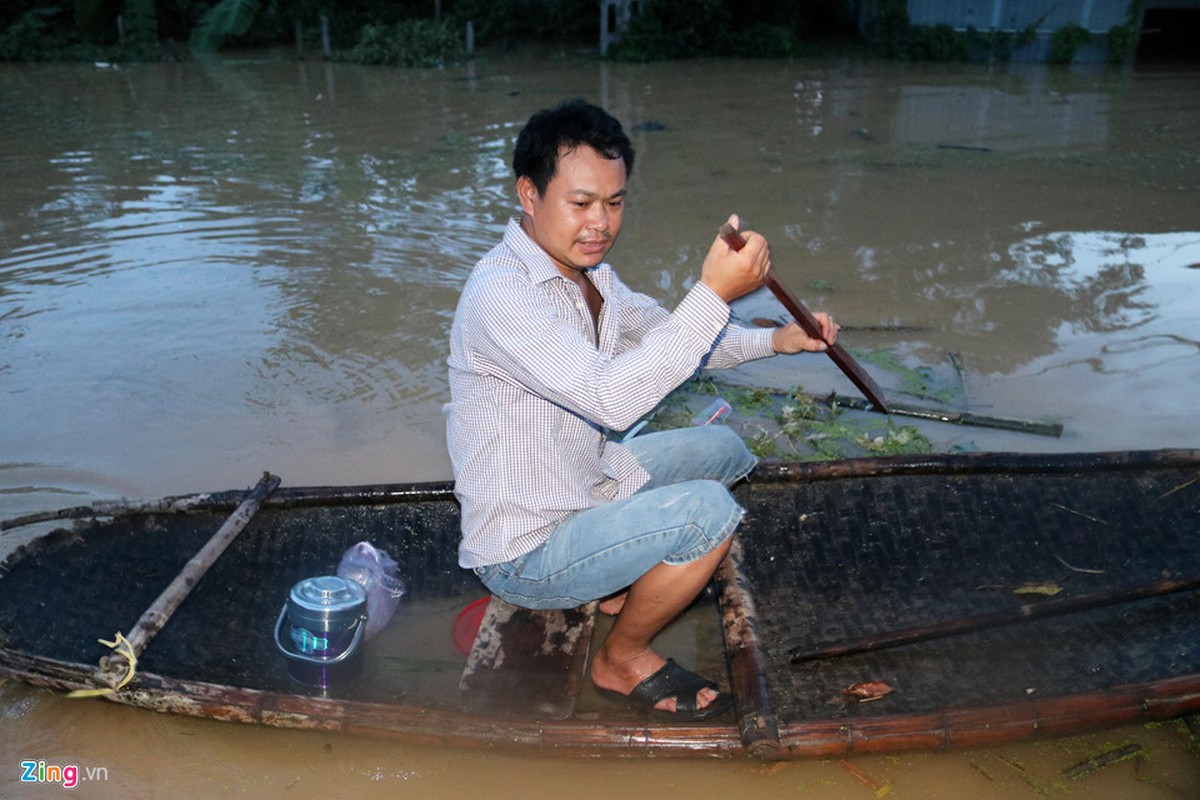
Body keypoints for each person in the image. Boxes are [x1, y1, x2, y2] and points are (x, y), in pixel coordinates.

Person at [445, 98, 837, 720]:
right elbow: (613, 396)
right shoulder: (503, 296)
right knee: (710, 513)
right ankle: (622, 657)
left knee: (727, 450)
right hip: (526, 546)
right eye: (580, 203)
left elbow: (669, 337)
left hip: (588, 484)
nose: (600, 223)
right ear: (529, 193)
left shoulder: (590, 274)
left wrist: (778, 340)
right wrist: (712, 290)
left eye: (615, 202)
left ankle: (619, 588)